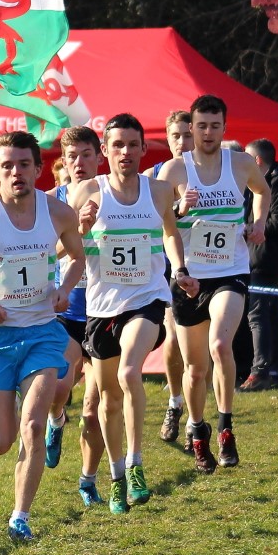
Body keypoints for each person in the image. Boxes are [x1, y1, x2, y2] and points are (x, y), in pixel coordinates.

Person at [0, 130, 86, 541]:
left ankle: (20, 517)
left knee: (32, 426)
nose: (16, 172)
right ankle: (58, 414)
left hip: (42, 332)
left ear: (39, 169)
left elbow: (77, 256)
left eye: (24, 164)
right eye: (7, 166)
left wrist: (64, 289)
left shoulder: (59, 212)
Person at [70, 114, 193, 513]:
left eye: (132, 145)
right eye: (117, 145)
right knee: (106, 397)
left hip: (147, 299)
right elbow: (65, 251)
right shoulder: (87, 191)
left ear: (143, 149)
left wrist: (181, 269)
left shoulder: (158, 192)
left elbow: (171, 233)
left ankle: (138, 464)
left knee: (128, 373)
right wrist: (82, 229)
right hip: (101, 307)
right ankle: (117, 475)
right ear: (105, 151)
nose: (125, 152)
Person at [158, 95, 269, 473]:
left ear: (225, 127)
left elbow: (263, 192)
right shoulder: (173, 171)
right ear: (191, 127)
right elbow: (164, 226)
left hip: (230, 271)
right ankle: (197, 427)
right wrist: (180, 214)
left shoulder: (240, 164)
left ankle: (225, 427)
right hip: (189, 277)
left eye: (215, 126)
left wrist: (258, 223)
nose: (207, 132)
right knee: (195, 369)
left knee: (221, 345)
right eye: (201, 126)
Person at [45, 125, 109, 508]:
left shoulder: (116, 194)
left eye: (86, 155)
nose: (80, 163)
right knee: (60, 386)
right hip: (65, 307)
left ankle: (88, 480)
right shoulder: (49, 203)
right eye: (72, 157)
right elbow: (44, 254)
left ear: (98, 156)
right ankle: (55, 420)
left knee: (94, 407)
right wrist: (78, 234)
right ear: (63, 162)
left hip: (104, 308)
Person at [239, 138, 278, 391]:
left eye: (246, 159)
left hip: (266, 258)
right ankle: (275, 371)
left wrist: (252, 227)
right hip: (263, 256)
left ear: (257, 161)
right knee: (271, 314)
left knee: (258, 315)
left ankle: (260, 372)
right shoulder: (268, 183)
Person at [147, 109, 192, 443]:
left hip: (213, 270)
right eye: (176, 135)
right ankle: (176, 403)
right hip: (170, 272)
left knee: (203, 350)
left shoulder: (214, 171)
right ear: (167, 138)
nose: (183, 142)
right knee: (174, 339)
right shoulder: (153, 178)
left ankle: (197, 414)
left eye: (188, 135)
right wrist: (178, 209)